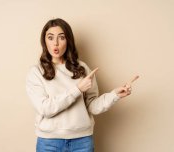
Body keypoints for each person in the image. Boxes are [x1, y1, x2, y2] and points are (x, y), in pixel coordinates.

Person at [25, 18, 138, 152]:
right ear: (44, 41)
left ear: (68, 40)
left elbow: (92, 106)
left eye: (61, 37)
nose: (55, 43)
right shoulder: (36, 72)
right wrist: (77, 89)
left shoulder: (82, 68)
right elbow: (45, 109)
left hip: (82, 142)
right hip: (49, 143)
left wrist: (114, 95)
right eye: (50, 38)